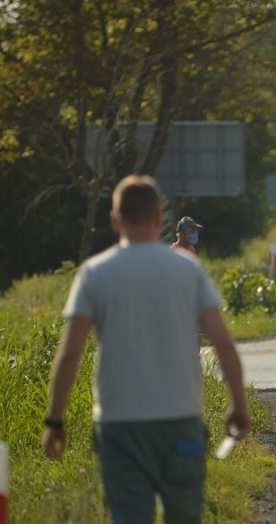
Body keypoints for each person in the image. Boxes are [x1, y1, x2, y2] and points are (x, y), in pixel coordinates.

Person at [42, 174, 250, 524]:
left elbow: (70, 353)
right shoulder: (189, 270)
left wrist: (55, 420)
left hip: (120, 427)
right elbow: (224, 343)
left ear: (114, 221)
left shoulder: (94, 273)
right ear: (160, 220)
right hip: (180, 423)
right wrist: (238, 406)